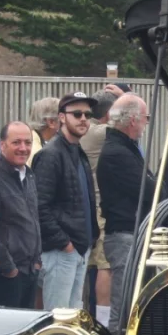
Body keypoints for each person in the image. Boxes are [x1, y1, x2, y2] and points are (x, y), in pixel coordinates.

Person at [34, 93, 99, 310]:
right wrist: (65, 243)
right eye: (77, 114)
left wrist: (90, 239)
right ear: (61, 117)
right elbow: (39, 206)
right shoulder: (50, 154)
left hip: (80, 248)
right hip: (61, 251)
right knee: (57, 319)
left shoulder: (78, 151)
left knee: (72, 319)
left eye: (88, 114)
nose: (83, 119)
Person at [98, 94, 155, 322]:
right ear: (133, 120)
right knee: (123, 310)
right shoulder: (116, 154)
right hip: (124, 236)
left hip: (133, 233)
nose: (145, 125)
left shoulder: (127, 149)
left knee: (135, 305)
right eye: (145, 118)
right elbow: (150, 190)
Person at [0, 122, 42, 308]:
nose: (23, 148)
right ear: (2, 145)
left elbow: (34, 219)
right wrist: (8, 268)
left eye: (27, 142)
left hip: (30, 271)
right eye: (16, 142)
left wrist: (37, 261)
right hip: (6, 275)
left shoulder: (29, 175)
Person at [79, 91, 115, 324]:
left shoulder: (85, 132)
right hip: (101, 207)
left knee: (88, 265)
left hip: (87, 207)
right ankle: (103, 319)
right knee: (105, 264)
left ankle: (84, 312)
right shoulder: (101, 132)